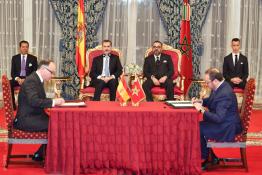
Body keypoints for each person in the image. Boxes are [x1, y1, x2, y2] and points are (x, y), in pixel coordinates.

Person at [13, 60, 65, 161]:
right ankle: (45, 156)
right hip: (26, 120)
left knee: (58, 122)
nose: (53, 75)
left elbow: (40, 100)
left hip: (34, 116)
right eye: (51, 72)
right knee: (57, 125)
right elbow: (34, 101)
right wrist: (53, 102)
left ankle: (41, 154)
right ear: (42, 69)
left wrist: (53, 101)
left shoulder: (37, 79)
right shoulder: (31, 80)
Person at [192, 68, 242, 170]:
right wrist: (201, 101)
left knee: (198, 128)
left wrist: (201, 110)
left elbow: (218, 118)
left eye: (207, 82)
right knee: (198, 126)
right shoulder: (220, 86)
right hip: (225, 120)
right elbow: (211, 100)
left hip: (228, 126)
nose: (206, 85)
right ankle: (211, 157)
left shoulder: (224, 93)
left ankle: (206, 159)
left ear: (215, 81)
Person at [10, 40, 38, 110]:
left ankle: (31, 106)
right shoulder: (14, 58)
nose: (25, 48)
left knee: (36, 83)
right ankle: (13, 106)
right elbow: (12, 72)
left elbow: (35, 72)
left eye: (26, 47)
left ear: (28, 48)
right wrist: (18, 79)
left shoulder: (33, 58)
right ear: (20, 48)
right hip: (18, 79)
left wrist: (26, 79)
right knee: (9, 83)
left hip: (28, 79)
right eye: (23, 47)